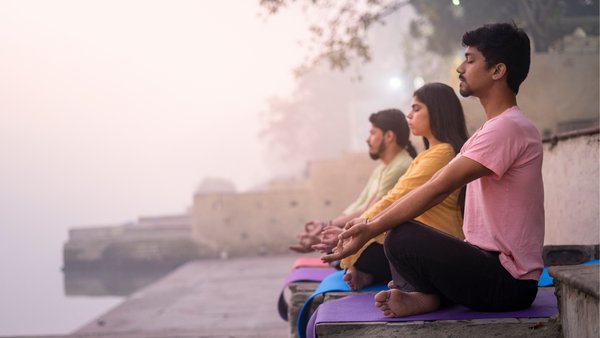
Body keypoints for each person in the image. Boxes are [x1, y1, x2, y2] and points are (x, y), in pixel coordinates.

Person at [323, 22, 544, 318]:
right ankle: (427, 296)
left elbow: (436, 188)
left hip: (509, 282)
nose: (461, 68)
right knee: (402, 235)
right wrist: (369, 224)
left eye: (470, 59)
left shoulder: (508, 128)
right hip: (487, 265)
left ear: (497, 70)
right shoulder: (490, 130)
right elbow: (422, 188)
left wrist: (371, 228)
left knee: (400, 235)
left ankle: (425, 295)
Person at [314, 83, 469, 291]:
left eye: (416, 108)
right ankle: (368, 273)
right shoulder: (429, 155)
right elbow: (387, 199)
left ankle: (369, 272)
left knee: (383, 244)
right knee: (363, 246)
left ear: (437, 111)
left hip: (440, 245)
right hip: (426, 241)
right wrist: (351, 230)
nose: (409, 115)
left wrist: (350, 232)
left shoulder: (443, 155)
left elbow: (397, 198)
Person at [289, 109, 417, 253]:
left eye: (373, 133)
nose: (367, 139)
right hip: (369, 237)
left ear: (389, 136)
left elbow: (368, 212)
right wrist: (327, 230)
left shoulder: (400, 167)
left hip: (385, 244)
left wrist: (333, 234)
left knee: (342, 257)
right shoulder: (382, 169)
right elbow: (360, 206)